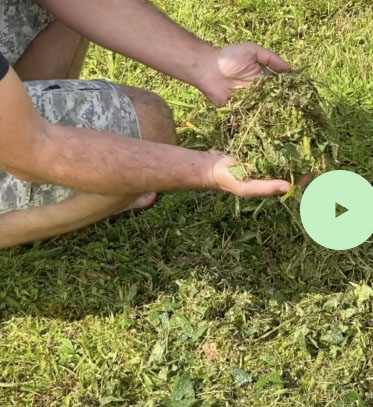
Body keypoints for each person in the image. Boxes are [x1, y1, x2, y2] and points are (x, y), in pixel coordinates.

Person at [0, 0, 294, 249]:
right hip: (26, 145)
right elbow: (35, 148)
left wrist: (207, 64)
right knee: (148, 128)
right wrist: (205, 169)